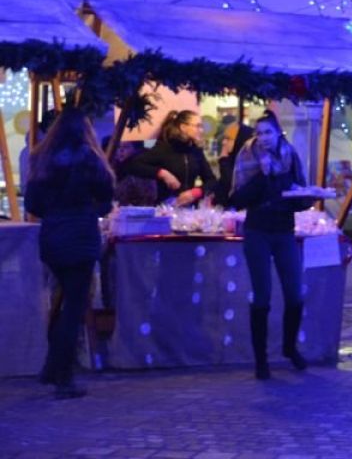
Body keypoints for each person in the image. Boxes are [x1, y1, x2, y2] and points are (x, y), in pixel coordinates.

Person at [23, 108, 114, 399]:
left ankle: (53, 367)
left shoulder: (42, 159)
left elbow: (32, 203)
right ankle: (62, 375)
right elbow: (106, 199)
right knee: (73, 307)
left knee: (62, 303)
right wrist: (88, 209)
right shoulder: (90, 160)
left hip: (53, 238)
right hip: (81, 237)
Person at [229, 112, 315, 379]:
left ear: (278, 133)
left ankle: (290, 348)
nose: (263, 138)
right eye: (259, 133)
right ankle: (261, 360)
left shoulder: (290, 155)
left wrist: (306, 195)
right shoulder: (247, 156)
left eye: (268, 132)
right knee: (262, 295)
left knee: (295, 294)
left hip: (284, 231)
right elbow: (237, 199)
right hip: (257, 231)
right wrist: (263, 176)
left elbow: (300, 195)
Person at [120, 109, 217, 206]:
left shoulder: (196, 151)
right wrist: (162, 173)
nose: (201, 130)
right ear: (183, 127)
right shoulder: (163, 148)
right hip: (165, 209)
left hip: (190, 210)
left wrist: (196, 192)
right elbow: (133, 165)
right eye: (198, 126)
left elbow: (211, 181)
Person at [213, 122, 252, 208]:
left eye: (228, 139)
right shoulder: (230, 160)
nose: (223, 142)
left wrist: (223, 160)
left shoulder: (248, 165)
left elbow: (230, 185)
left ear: (239, 140)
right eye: (224, 138)